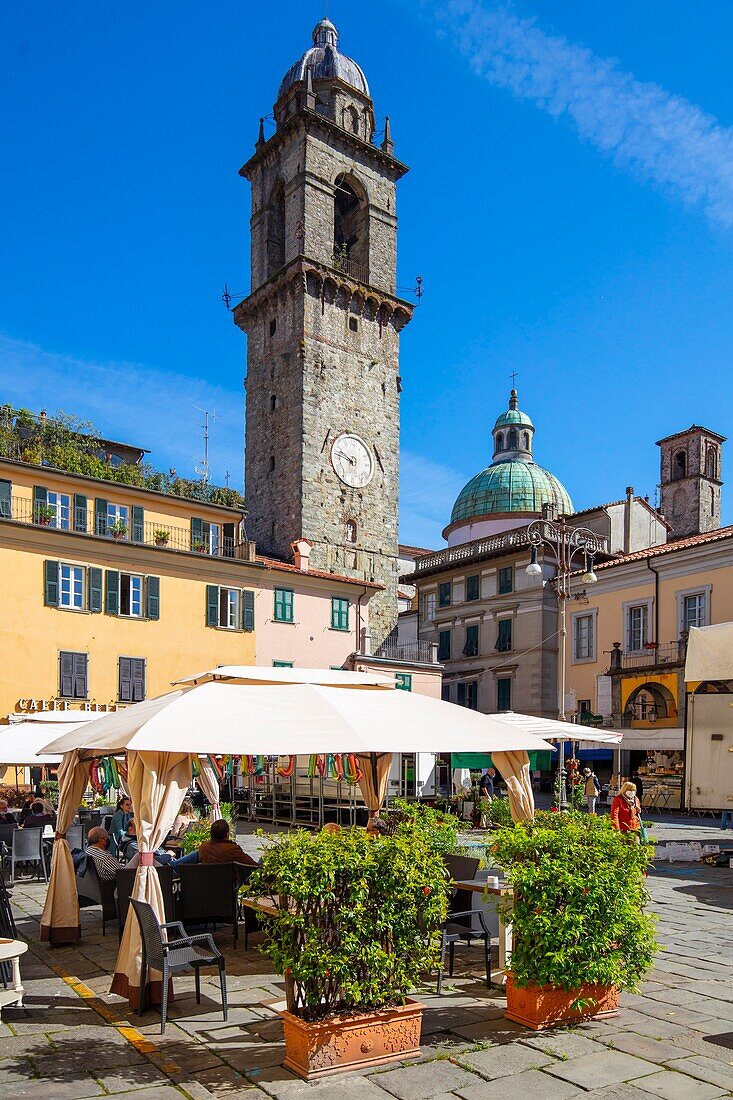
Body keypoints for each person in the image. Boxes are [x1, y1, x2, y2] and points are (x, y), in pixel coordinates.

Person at [171, 819, 256, 867]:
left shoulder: (204, 848)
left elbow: (179, 865)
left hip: (206, 889)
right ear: (227, 834)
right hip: (228, 890)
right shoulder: (232, 850)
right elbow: (252, 866)